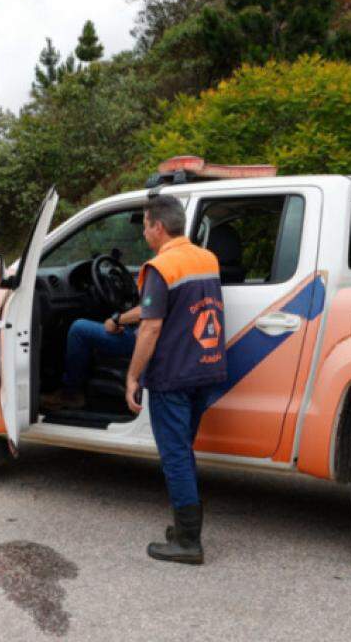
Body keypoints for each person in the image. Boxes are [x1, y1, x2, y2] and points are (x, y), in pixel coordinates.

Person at [126, 194, 226, 565]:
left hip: (173, 374)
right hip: (207, 367)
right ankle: (184, 528)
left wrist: (133, 377)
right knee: (184, 448)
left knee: (175, 456)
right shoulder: (207, 258)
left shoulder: (160, 267)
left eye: (146, 225)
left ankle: (188, 542)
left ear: (158, 226)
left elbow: (151, 327)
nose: (145, 234)